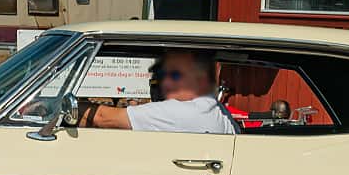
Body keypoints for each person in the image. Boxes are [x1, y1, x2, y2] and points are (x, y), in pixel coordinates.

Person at [80, 48, 235, 134]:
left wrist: (63, 107)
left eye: (175, 75)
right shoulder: (216, 110)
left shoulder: (176, 112)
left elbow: (102, 118)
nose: (165, 82)